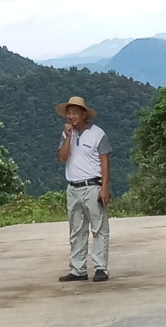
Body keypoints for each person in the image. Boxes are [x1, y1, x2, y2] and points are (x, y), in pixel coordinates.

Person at [55, 95, 111, 282]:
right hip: (73, 187)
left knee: (99, 228)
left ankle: (100, 267)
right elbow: (62, 158)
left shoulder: (98, 134)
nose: (70, 117)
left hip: (92, 186)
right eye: (68, 113)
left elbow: (105, 163)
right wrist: (68, 137)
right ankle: (78, 269)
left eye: (74, 113)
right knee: (76, 230)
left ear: (84, 114)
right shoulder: (67, 134)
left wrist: (104, 188)